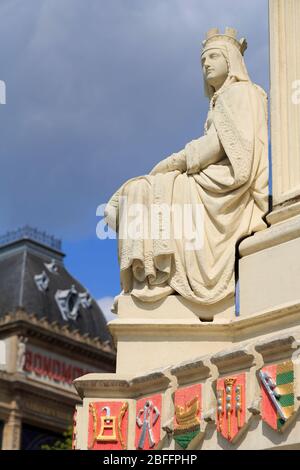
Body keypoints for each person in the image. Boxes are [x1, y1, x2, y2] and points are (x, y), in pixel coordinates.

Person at [105, 28, 269, 307]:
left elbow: (220, 146)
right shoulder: (222, 99)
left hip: (227, 184)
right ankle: (150, 274)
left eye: (214, 57)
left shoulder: (242, 92)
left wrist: (172, 163)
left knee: (143, 189)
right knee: (142, 189)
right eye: (203, 59)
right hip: (211, 179)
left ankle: (156, 276)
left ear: (231, 60)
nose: (206, 63)